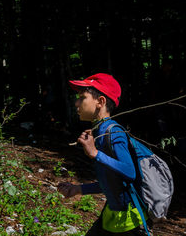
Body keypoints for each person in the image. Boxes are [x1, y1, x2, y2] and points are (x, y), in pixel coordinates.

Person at [57, 73, 151, 235]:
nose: (77, 102)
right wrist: (78, 189)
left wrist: (95, 153)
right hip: (112, 215)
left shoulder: (113, 132)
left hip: (128, 222)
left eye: (82, 97)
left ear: (100, 102)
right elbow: (113, 182)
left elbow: (129, 172)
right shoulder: (100, 130)